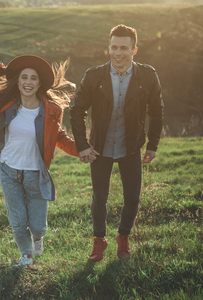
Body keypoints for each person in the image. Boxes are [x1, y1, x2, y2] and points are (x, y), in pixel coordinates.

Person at [0, 55, 86, 267]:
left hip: (36, 174)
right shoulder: (6, 104)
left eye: (33, 78)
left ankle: (37, 237)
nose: (28, 82)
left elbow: (60, 138)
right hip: (8, 171)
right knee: (18, 222)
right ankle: (26, 255)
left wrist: (83, 150)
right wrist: (5, 70)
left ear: (39, 83)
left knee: (37, 226)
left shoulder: (52, 110)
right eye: (23, 77)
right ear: (17, 81)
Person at [70, 24, 164, 262]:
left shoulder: (148, 75)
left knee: (132, 198)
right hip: (99, 149)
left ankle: (123, 237)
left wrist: (152, 144)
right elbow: (77, 111)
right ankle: (99, 241)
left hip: (131, 147)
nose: (118, 53)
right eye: (113, 47)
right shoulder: (94, 76)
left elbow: (157, 110)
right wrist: (82, 145)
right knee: (99, 197)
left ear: (134, 50)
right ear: (108, 48)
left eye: (124, 47)